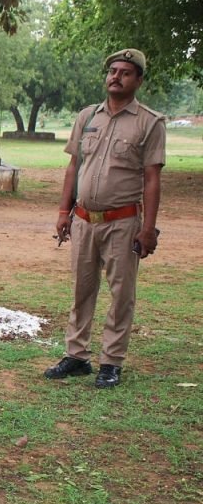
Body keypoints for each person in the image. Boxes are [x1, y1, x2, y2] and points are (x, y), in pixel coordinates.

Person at [45, 48, 165, 389]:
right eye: (112, 71)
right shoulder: (87, 117)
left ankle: (111, 361)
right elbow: (74, 166)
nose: (116, 77)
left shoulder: (149, 122)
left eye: (125, 72)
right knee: (82, 289)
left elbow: (152, 177)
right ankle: (76, 355)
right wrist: (62, 211)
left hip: (123, 222)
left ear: (138, 80)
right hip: (83, 219)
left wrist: (148, 228)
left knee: (120, 293)